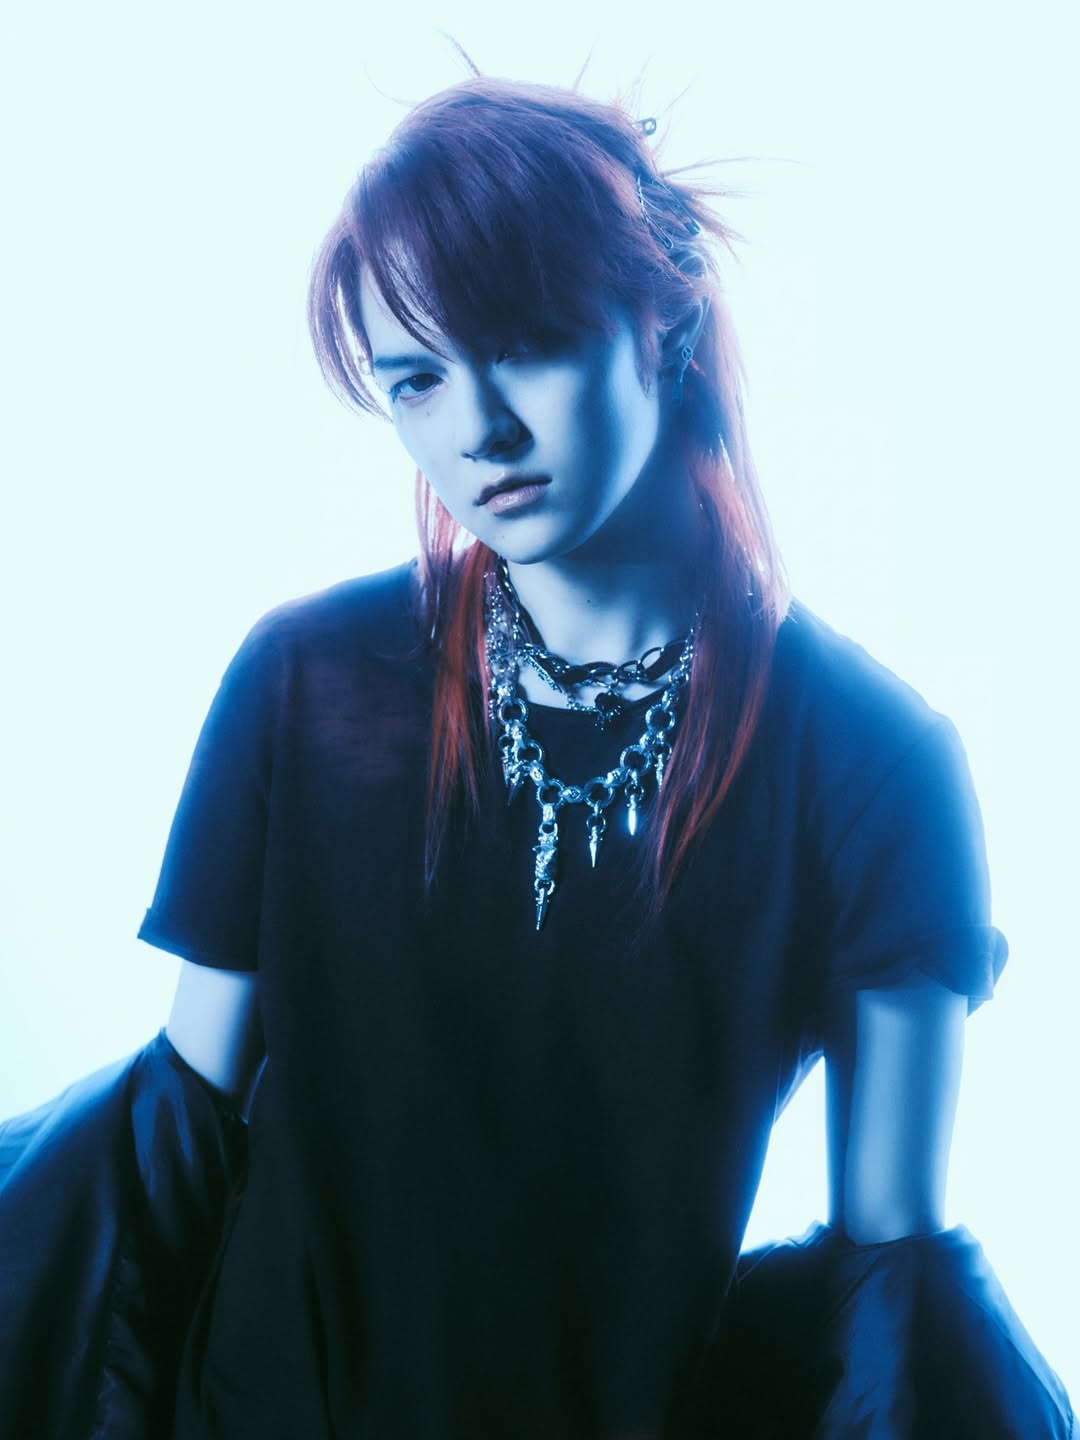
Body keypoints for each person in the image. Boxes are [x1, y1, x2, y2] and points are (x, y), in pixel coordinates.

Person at [0, 75, 1073, 1440]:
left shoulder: (871, 762)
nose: (478, 430)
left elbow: (891, 1295)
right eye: (417, 379)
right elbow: (172, 1153)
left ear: (667, 326)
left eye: (527, 345)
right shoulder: (308, 681)